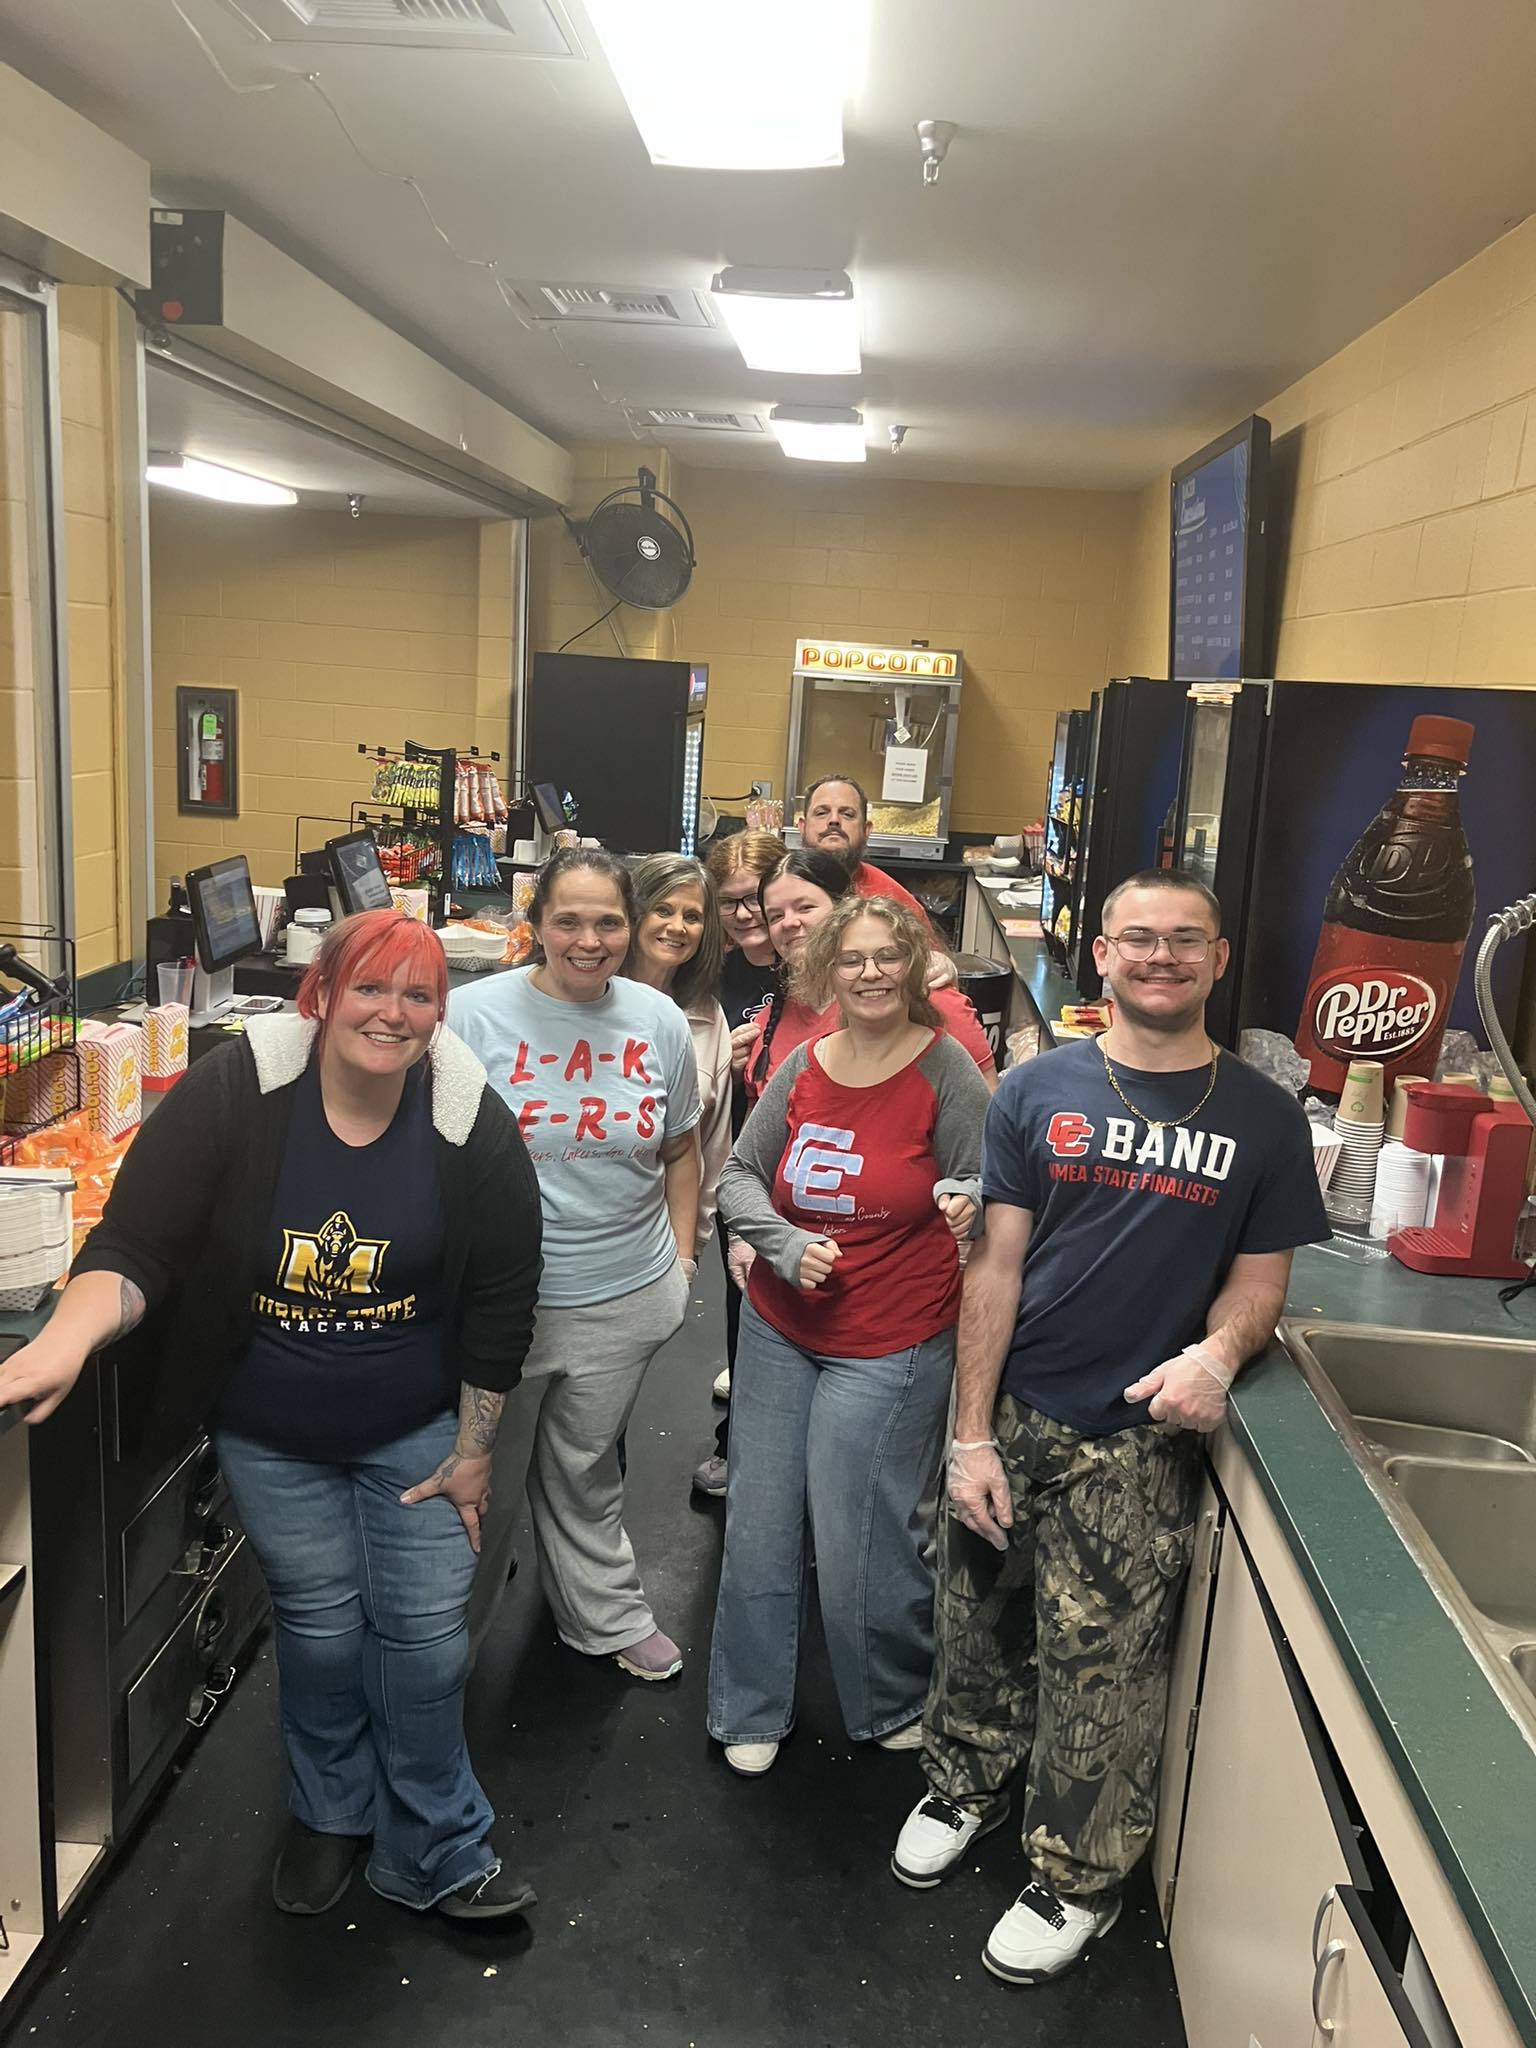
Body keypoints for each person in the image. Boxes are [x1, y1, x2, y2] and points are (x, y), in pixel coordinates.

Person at [0, 910, 543, 1921]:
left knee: (426, 1646)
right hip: (271, 1437)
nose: (392, 1012)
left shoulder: (468, 1119)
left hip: (417, 1432)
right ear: (320, 994)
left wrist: (474, 1450)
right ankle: (330, 1811)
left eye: (418, 994)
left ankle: (435, 1845)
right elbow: (136, 1244)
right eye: (369, 987)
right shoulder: (235, 1094)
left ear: (440, 1012)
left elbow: (504, 1300)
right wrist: (63, 1340)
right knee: (323, 1634)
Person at [890, 868, 1330, 1986]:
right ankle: (964, 1782)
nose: (1160, 957)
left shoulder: (1263, 1116)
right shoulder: (1037, 1090)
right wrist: (970, 1432)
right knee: (977, 1612)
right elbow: (995, 1266)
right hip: (1018, 1406)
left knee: (1105, 1666)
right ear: (1102, 954)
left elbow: (1259, 1282)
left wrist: (1217, 1355)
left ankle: (1077, 1875)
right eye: (1139, 938)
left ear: (1218, 960)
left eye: (1185, 939)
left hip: (1140, 1430)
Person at [709, 895, 991, 1775]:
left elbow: (986, 1173)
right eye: (851, 959)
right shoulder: (802, 1064)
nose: (870, 973)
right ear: (825, 971)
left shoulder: (947, 1070)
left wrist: (968, 1197)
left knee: (858, 1528)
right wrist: (781, 1244)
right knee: (758, 1520)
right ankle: (748, 1706)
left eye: (886, 957)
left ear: (913, 968)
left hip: (891, 1336)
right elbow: (740, 1176)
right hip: (780, 1327)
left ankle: (892, 1694)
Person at [452, 847, 701, 1679]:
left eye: (607, 922)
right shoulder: (471, 1016)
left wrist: (683, 1262)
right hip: (504, 1308)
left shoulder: (658, 1021)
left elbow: (681, 1150)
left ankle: (603, 1614)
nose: (588, 941)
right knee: (478, 1477)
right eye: (568, 921)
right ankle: (447, 1646)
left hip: (624, 1294)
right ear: (535, 925)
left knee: (584, 1470)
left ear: (629, 927)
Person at [692, 829, 787, 1498]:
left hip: (805, 1161)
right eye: (730, 902)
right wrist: (720, 1061)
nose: (748, 914)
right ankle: (741, 1445)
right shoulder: (711, 976)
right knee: (743, 1299)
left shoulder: (813, 962)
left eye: (759, 898)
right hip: (739, 1161)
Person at [746, 849, 997, 1100]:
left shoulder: (921, 993)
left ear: (844, 908)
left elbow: (985, 1111)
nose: (789, 922)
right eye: (776, 916)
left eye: (805, 907)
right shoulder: (766, 1026)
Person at [797, 773, 931, 922]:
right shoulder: (781, 891)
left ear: (866, 830)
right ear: (802, 827)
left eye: (847, 814)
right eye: (821, 813)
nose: (834, 820)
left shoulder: (899, 904)